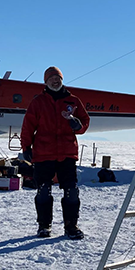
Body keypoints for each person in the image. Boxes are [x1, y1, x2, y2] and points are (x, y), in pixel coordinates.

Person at [21, 66, 90, 239]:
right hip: (44, 152)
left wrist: (77, 125)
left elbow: (84, 121)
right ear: (46, 81)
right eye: (51, 78)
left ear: (61, 79)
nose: (55, 80)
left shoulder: (73, 101)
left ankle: (71, 226)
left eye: (57, 77)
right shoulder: (38, 102)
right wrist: (26, 147)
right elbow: (28, 125)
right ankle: (44, 226)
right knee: (43, 190)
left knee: (71, 191)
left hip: (67, 153)